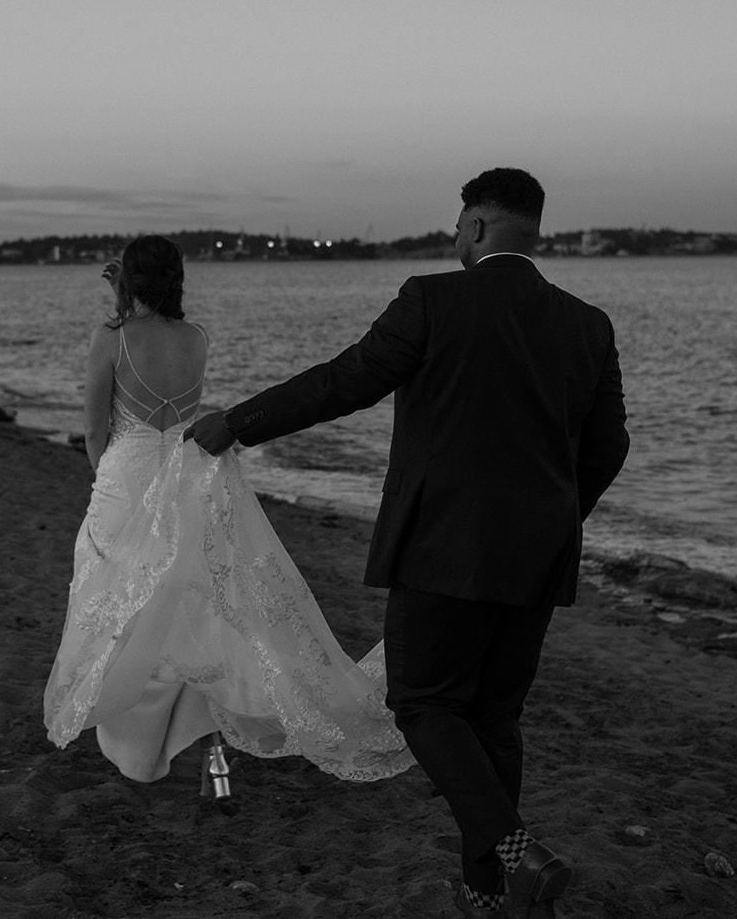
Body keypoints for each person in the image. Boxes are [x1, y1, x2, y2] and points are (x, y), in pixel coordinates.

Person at [186, 168, 629, 918]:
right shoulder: (588, 324)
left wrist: (237, 422)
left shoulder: (432, 300)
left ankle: (518, 854)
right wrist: (556, 517)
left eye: (459, 225)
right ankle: (490, 890)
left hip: (441, 547)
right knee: (494, 718)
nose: (455, 237)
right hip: (537, 556)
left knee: (422, 704)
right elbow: (609, 446)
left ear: (477, 225)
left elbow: (343, 382)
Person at [42, 234, 413, 806]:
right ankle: (213, 751)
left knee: (126, 618)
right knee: (196, 617)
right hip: (188, 478)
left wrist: (107, 482)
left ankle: (137, 747)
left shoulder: (110, 338)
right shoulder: (196, 338)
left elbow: (96, 430)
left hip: (127, 480)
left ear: (128, 281)